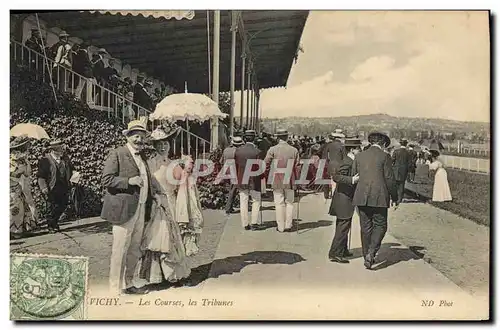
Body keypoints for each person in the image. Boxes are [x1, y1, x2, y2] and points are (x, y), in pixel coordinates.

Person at [101, 120, 159, 295]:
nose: (139, 139)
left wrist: (153, 195)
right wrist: (129, 181)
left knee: (134, 249)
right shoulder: (117, 154)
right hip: (124, 210)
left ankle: (128, 283)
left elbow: (148, 180)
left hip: (141, 208)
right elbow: (106, 180)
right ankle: (114, 289)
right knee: (120, 249)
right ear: (128, 136)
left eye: (142, 136)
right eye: (136, 135)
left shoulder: (142, 157)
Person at [133, 126, 191, 289]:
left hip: (172, 203)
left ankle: (172, 275)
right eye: (159, 144)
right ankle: (155, 275)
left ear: (170, 144)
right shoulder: (151, 163)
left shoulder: (173, 163)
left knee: (173, 238)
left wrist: (186, 168)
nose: (163, 146)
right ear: (155, 145)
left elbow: (182, 182)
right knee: (158, 238)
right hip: (157, 204)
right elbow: (148, 183)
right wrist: (155, 197)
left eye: (165, 143)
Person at [352, 131, 398, 270]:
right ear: (383, 143)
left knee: (365, 227)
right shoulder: (385, 156)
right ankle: (371, 252)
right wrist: (395, 197)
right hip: (379, 196)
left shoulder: (359, 156)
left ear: (371, 142)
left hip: (361, 196)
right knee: (380, 225)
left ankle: (367, 254)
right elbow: (389, 179)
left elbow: (355, 176)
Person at [327, 138, 362, 263]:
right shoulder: (347, 161)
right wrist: (352, 180)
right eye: (358, 148)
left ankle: (343, 249)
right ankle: (335, 253)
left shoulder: (350, 160)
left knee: (344, 225)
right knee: (343, 227)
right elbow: (336, 177)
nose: (360, 150)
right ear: (352, 149)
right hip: (344, 199)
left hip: (345, 198)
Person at [264, 128, 300, 233]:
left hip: (277, 179)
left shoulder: (272, 149)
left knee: (279, 203)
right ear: (287, 137)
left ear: (278, 138)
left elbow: (265, 164)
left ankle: (280, 227)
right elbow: (297, 167)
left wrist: (265, 176)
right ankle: (288, 225)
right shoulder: (294, 150)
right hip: (290, 179)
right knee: (290, 202)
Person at [37, 139, 74, 233]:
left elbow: (72, 170)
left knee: (63, 204)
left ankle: (55, 221)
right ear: (53, 150)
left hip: (63, 186)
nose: (62, 151)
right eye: (60, 150)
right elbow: (41, 176)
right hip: (51, 187)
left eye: (62, 149)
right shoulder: (45, 160)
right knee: (51, 207)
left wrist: (74, 179)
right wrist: (43, 187)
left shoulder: (65, 159)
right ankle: (51, 225)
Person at [235, 130, 263, 231]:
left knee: (243, 201)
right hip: (254, 180)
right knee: (256, 201)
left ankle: (245, 224)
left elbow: (236, 166)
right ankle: (254, 223)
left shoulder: (238, 151)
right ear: (254, 138)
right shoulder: (257, 151)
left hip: (242, 179)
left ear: (244, 138)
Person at [10, 136, 38, 238]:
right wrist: (17, 170)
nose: (16, 153)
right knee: (14, 209)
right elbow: (12, 173)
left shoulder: (23, 160)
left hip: (18, 187)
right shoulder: (9, 160)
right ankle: (13, 230)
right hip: (11, 188)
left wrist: (25, 164)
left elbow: (27, 174)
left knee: (22, 208)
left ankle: (20, 229)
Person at [220, 136, 244, 215]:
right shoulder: (239, 151)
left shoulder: (226, 150)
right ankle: (228, 208)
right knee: (233, 190)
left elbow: (221, 161)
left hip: (226, 171)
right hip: (235, 171)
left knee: (231, 188)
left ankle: (229, 207)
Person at [392, 138, 411, 204]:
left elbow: (392, 160)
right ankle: (399, 199)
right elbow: (409, 163)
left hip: (396, 170)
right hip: (404, 170)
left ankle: (394, 198)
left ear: (400, 143)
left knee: (395, 184)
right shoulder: (408, 153)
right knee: (402, 185)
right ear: (406, 144)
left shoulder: (396, 151)